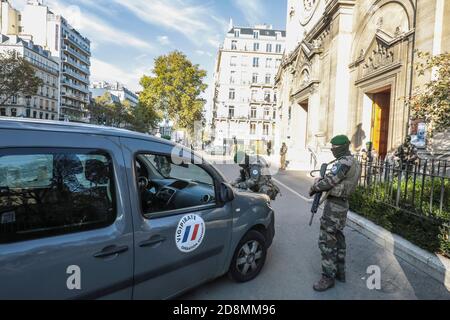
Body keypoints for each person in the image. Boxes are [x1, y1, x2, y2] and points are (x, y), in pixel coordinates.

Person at [308, 135, 361, 292]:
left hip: (335, 207)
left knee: (326, 241)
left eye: (334, 148)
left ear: (342, 148)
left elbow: (329, 182)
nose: (332, 151)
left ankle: (327, 277)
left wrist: (314, 187)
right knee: (337, 238)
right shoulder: (354, 161)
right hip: (342, 205)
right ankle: (339, 272)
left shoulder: (344, 162)